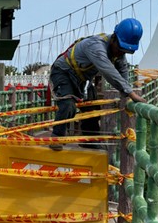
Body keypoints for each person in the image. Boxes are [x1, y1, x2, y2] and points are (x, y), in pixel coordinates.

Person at [49, 17, 146, 150]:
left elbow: (123, 71)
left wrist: (126, 96)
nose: (121, 53)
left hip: (83, 78)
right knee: (67, 104)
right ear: (113, 38)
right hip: (64, 71)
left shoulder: (119, 52)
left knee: (92, 109)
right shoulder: (96, 46)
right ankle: (56, 137)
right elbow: (109, 71)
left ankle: (89, 140)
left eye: (125, 51)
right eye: (120, 49)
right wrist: (131, 93)